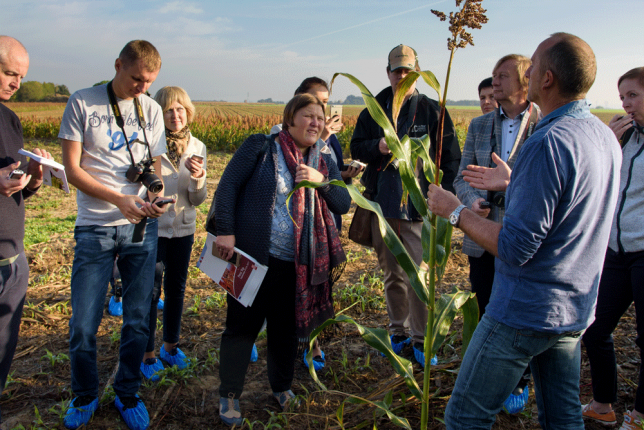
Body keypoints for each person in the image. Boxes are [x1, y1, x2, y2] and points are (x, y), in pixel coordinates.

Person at [427, 32, 622, 429]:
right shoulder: (603, 136)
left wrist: (455, 210)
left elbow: (516, 248)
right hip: (574, 308)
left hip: (524, 311)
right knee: (562, 414)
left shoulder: (546, 141)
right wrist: (515, 183)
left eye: (532, 65)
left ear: (547, 79)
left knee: (464, 416)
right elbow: (572, 209)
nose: (527, 72)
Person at [213, 93, 350, 426]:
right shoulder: (261, 146)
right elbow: (228, 184)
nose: (315, 122)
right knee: (241, 330)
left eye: (319, 117)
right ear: (290, 119)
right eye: (308, 115)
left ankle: (281, 386)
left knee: (285, 330)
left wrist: (324, 183)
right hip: (252, 257)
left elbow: (344, 203)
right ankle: (229, 394)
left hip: (297, 264)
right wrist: (225, 230)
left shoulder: (324, 159)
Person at [59, 40, 168, 430]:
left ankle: (127, 391)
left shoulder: (151, 109)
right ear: (118, 65)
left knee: (138, 319)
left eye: (149, 81)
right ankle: (85, 394)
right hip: (95, 228)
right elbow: (72, 170)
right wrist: (118, 200)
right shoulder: (83, 103)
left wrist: (154, 199)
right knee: (84, 324)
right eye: (137, 78)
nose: (142, 86)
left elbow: (153, 169)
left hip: (141, 225)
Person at [350, 44, 461, 365]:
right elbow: (357, 148)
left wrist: (444, 198)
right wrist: (379, 146)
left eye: (408, 69)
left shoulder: (432, 110)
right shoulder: (373, 109)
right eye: (396, 70)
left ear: (418, 71)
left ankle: (422, 340)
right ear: (388, 72)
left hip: (418, 208)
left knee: (420, 276)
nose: (402, 75)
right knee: (392, 275)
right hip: (382, 208)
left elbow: (450, 158)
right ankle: (398, 331)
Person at [453, 54, 539, 413]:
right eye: (493, 76)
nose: (494, 82)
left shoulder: (544, 123)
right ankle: (488, 378)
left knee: (522, 313)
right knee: (487, 306)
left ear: (525, 82)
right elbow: (461, 177)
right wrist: (472, 202)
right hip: (481, 234)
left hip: (523, 237)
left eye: (502, 76)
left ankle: (520, 380)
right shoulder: (478, 125)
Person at [271, 76, 363, 371]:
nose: (320, 112)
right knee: (283, 301)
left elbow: (335, 184)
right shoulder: (272, 143)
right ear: (295, 105)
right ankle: (289, 345)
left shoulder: (328, 139)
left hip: (321, 225)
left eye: (324, 104)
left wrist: (335, 175)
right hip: (285, 237)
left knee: (311, 289)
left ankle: (311, 343)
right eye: (313, 105)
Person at [581, 67, 644, 430]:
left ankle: (639, 416)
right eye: (622, 97)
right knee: (594, 326)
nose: (625, 104)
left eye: (632, 95)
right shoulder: (624, 137)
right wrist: (609, 144)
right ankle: (603, 404)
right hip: (615, 250)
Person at [138, 86, 207, 380]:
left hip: (184, 229)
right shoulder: (149, 146)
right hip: (155, 229)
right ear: (158, 114)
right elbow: (140, 189)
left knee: (176, 290)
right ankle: (147, 354)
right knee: (151, 292)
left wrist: (197, 178)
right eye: (168, 110)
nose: (175, 115)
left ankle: (170, 346)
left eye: (180, 109)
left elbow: (198, 199)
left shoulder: (198, 147)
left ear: (188, 111)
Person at [0, 35, 52, 423]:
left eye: (21, 76)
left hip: (13, 258)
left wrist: (32, 179)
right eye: (8, 73)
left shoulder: (10, 120)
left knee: (3, 349)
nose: (15, 82)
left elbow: (14, 193)